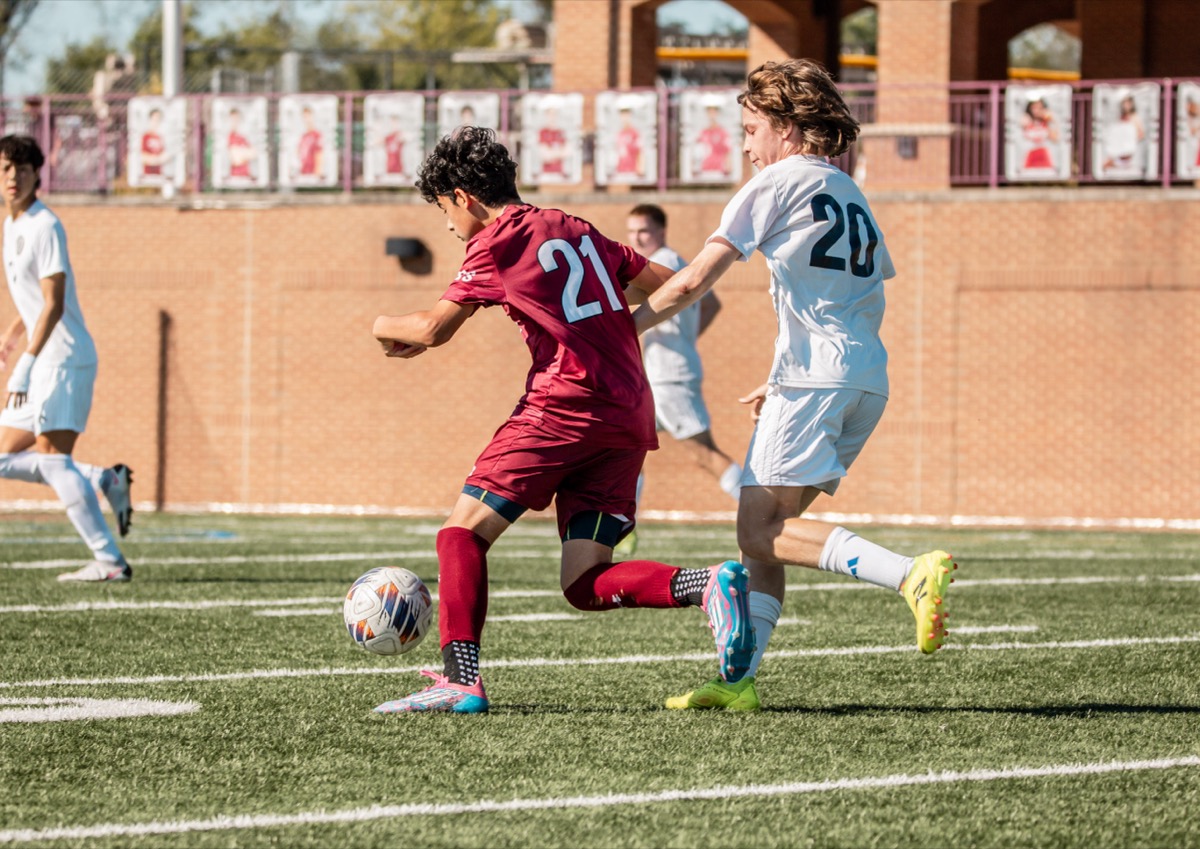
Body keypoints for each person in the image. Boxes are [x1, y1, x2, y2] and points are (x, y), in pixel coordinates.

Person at [369, 127, 754, 714]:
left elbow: (431, 329)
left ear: (464, 197)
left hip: (563, 406)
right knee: (583, 583)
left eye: (444, 209)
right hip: (627, 410)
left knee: (460, 533)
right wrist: (620, 325)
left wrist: (378, 326)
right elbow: (670, 284)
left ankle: (460, 680)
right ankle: (709, 584)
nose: (447, 225)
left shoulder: (496, 240)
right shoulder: (576, 228)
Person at [632, 60, 956, 711]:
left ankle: (909, 573)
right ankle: (739, 681)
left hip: (815, 382)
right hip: (861, 378)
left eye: (751, 129)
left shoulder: (775, 182)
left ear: (785, 127)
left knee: (759, 531)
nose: (746, 146)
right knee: (768, 533)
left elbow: (694, 280)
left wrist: (621, 327)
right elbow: (856, 296)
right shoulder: (848, 189)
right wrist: (782, 375)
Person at [0, 135, 134, 582]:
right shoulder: (12, 225)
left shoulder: (45, 226)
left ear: (37, 174)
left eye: (22, 169)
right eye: (6, 168)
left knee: (54, 459)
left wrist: (24, 364)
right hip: (42, 359)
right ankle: (103, 479)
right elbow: (34, 301)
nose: (13, 177)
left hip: (64, 359)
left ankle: (109, 562)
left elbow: (54, 305)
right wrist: (12, 335)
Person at [618, 203, 740, 556]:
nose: (637, 238)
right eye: (632, 231)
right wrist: (685, 338)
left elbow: (626, 298)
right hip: (657, 375)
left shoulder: (665, 262)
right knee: (628, 449)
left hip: (669, 378)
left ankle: (762, 510)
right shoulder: (674, 262)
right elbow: (711, 303)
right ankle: (624, 527)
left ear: (661, 231)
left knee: (704, 453)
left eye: (644, 231)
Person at [1101, 95, 1145, 175]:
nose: (1126, 105)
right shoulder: (1120, 117)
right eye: (1125, 103)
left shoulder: (1134, 117)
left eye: (1128, 103)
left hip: (1127, 153)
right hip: (1118, 152)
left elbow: (1140, 135)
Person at [1021, 97, 1058, 172]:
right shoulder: (1026, 121)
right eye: (1034, 108)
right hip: (1031, 157)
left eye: (1040, 108)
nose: (1037, 110)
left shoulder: (1046, 123)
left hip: (1044, 157)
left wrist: (1049, 121)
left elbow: (1055, 139)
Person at [226, 107, 256, 182]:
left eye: (237, 119)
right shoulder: (229, 137)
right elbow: (235, 158)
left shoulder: (243, 137)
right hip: (234, 177)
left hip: (246, 177)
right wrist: (244, 153)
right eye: (233, 120)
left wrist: (241, 154)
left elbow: (253, 153)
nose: (235, 122)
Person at [140, 107, 167, 179]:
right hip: (147, 175)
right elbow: (143, 157)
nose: (156, 122)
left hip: (159, 175)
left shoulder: (160, 137)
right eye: (155, 119)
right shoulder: (145, 136)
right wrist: (156, 159)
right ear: (150, 119)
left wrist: (155, 159)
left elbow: (164, 156)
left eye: (158, 119)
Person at [296, 105, 323, 179]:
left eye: (308, 116)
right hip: (303, 171)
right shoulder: (303, 136)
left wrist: (317, 172)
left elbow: (319, 154)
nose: (306, 119)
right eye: (304, 117)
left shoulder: (316, 135)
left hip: (312, 172)